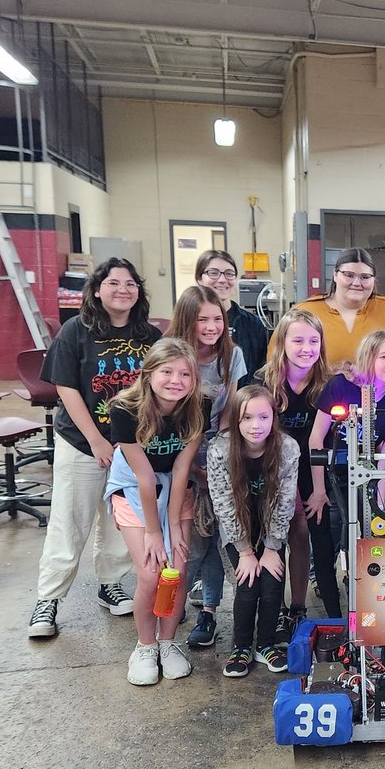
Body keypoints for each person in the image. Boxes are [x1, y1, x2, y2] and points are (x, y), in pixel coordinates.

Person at [27, 258, 162, 639]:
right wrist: (97, 440)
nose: (123, 289)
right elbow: (66, 388)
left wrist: (133, 442)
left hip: (133, 446)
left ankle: (110, 583)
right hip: (83, 443)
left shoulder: (149, 335)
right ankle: (48, 598)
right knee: (70, 521)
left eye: (130, 283)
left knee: (122, 521)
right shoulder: (76, 330)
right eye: (114, 283)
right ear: (98, 290)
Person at [103, 339, 204, 686]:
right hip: (134, 485)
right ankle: (145, 646)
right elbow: (144, 477)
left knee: (176, 569)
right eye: (167, 372)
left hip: (174, 486)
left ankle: (168, 641)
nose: (176, 380)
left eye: (185, 374)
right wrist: (154, 532)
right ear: (148, 374)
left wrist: (173, 526)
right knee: (150, 574)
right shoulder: (125, 409)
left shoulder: (196, 407)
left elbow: (181, 470)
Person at [306, 330, 385, 617]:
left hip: (365, 477)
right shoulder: (340, 386)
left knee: (368, 537)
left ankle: (366, 614)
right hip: (331, 474)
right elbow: (316, 439)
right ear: (369, 358)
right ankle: (333, 616)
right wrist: (319, 490)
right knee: (327, 539)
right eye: (384, 356)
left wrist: (380, 507)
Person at [167, 285, 247, 648]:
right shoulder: (171, 355)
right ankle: (169, 611)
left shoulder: (232, 355)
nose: (212, 327)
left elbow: (229, 411)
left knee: (214, 536)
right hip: (174, 455)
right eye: (202, 319)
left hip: (214, 454)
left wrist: (217, 463)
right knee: (183, 545)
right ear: (187, 319)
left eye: (218, 319)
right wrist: (187, 467)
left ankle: (209, 612)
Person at [207, 386, 301, 677]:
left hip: (272, 525)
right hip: (237, 527)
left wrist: (272, 547)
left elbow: (285, 501)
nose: (255, 425)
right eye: (247, 418)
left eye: (263, 417)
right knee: (247, 584)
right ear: (236, 419)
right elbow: (223, 503)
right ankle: (241, 647)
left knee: (272, 582)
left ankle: (266, 645)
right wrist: (245, 551)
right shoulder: (220, 450)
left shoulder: (287, 448)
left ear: (274, 417)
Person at [259, 309, 331, 642]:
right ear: (282, 342)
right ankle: (272, 608)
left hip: (312, 471)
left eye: (313, 341)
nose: (306, 348)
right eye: (298, 340)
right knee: (273, 537)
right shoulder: (264, 383)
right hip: (271, 471)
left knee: (302, 535)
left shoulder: (327, 384)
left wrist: (318, 488)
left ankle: (298, 607)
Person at [296, 248, 385, 368]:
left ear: (373, 279)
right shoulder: (306, 312)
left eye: (365, 277)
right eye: (349, 275)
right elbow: (282, 359)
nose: (356, 283)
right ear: (335, 275)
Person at [196, 250, 268, 383]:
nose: (222, 280)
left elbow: (262, 371)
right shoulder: (188, 320)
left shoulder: (253, 324)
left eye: (229, 274)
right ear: (199, 278)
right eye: (213, 273)